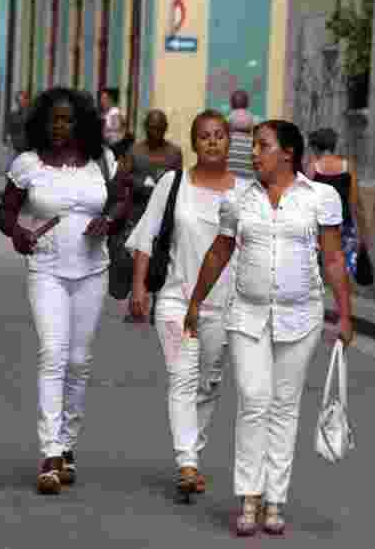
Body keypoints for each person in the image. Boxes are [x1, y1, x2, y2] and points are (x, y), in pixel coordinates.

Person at [186, 120, 354, 537]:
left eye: (263, 146)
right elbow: (219, 251)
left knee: (284, 405)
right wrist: (196, 300)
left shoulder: (321, 198)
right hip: (246, 315)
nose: (255, 153)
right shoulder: (239, 200)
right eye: (256, 146)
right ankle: (249, 496)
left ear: (288, 154)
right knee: (254, 399)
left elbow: (332, 259)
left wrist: (345, 314)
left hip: (302, 318)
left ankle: (275, 499)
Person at [0, 87, 131, 495]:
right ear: (42, 122)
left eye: (68, 120)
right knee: (53, 354)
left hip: (92, 270)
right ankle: (50, 453)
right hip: (47, 270)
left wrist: (108, 221)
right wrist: (18, 233)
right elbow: (5, 211)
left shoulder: (102, 161)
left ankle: (68, 444)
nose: (60, 126)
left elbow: (122, 199)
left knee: (78, 360)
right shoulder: (28, 165)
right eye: (54, 119)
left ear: (81, 123)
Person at [127, 109, 247, 499]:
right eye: (204, 136)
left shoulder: (245, 193)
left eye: (219, 135)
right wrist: (140, 288)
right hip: (177, 302)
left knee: (209, 382)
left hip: (225, 306)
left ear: (229, 142)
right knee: (182, 377)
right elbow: (147, 236)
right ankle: (187, 463)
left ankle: (191, 452)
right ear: (194, 144)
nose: (212, 142)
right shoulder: (173, 184)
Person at [120, 109, 183, 323]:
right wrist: (138, 183)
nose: (155, 132)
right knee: (135, 256)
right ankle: (137, 303)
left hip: (164, 213)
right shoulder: (135, 151)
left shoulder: (174, 153)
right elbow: (122, 176)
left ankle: (159, 304)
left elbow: (178, 181)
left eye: (159, 128)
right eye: (152, 127)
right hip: (138, 211)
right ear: (145, 128)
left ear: (165, 129)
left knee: (161, 258)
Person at [307, 127, 370, 278]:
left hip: (320, 225)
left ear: (316, 147)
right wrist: (363, 231)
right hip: (344, 224)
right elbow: (355, 201)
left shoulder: (313, 167)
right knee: (343, 270)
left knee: (319, 271)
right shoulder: (348, 167)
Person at [227, 90, 256, 179]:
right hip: (248, 179)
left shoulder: (227, 140)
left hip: (230, 179)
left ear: (231, 104)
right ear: (247, 104)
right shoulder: (251, 118)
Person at [99, 87, 126, 154]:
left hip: (112, 149)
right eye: (101, 98)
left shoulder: (114, 113)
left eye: (104, 98)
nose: (101, 101)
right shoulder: (107, 113)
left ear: (111, 99)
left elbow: (116, 135)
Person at [7, 89, 31, 154]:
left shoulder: (33, 114)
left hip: (29, 151)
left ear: (28, 100)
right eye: (18, 101)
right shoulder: (13, 116)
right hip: (17, 150)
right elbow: (10, 131)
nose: (21, 103)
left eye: (23, 100)